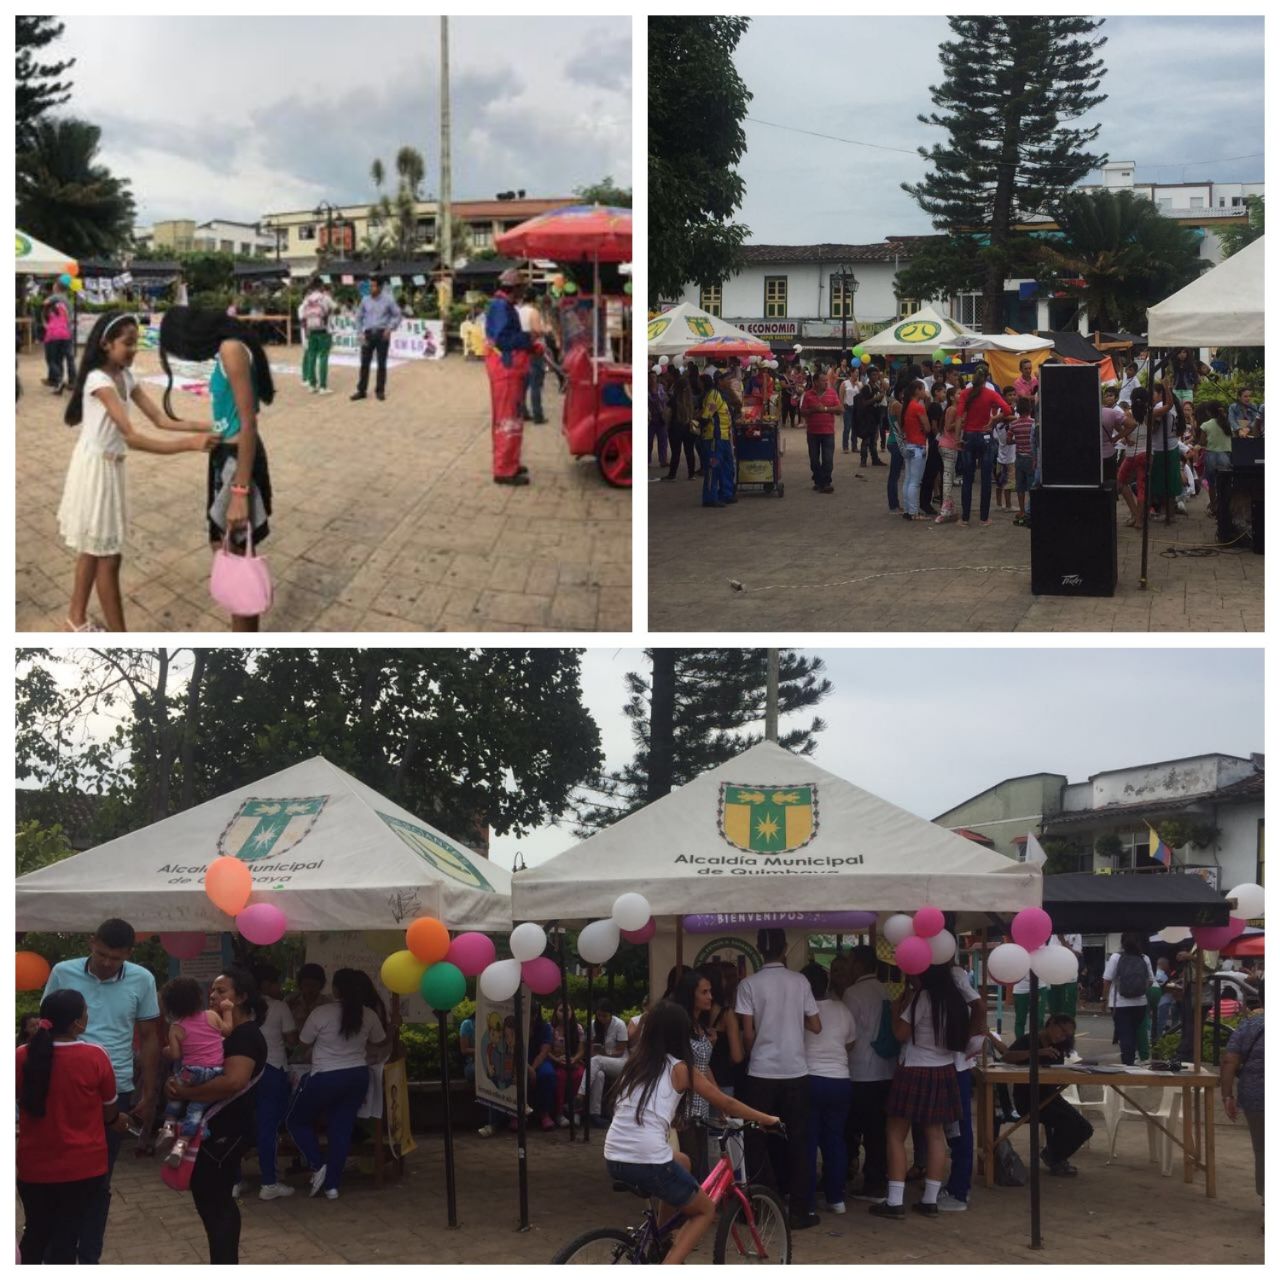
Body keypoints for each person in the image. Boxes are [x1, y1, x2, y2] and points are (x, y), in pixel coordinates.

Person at [58, 313, 212, 632]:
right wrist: (190, 444)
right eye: (127, 344)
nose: (133, 351)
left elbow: (159, 419)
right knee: (108, 557)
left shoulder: (125, 377)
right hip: (95, 470)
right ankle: (120, 640)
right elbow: (130, 436)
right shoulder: (98, 381)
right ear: (106, 344)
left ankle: (76, 618)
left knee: (93, 547)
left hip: (110, 469)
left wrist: (208, 424)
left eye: (136, 344)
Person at [603, 1000, 780, 1267]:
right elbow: (726, 1103)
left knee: (683, 1161)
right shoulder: (680, 1069)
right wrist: (768, 1119)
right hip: (647, 1159)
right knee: (705, 1210)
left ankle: (659, 1242)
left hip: (614, 1156)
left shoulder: (635, 1065)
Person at [41, 918, 161, 1263]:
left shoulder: (142, 979)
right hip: (63, 1091)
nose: (108, 963)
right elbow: (47, 1026)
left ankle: (89, 1257)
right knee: (58, 1176)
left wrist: (149, 1092)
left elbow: (151, 1037)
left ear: (129, 954)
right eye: (102, 954)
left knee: (98, 1181)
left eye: (116, 958)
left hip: (116, 1090)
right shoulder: (64, 972)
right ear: (91, 943)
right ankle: (54, 1257)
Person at [158, 307, 276, 633]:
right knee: (224, 547)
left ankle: (244, 643)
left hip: (238, 461)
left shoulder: (231, 349)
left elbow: (249, 421)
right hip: (224, 454)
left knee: (237, 559)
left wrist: (240, 491)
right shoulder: (228, 348)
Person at [166, 969, 268, 1264]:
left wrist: (184, 1095)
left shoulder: (245, 1036)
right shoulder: (223, 1032)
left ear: (243, 997)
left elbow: (233, 1082)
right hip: (214, 1130)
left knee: (217, 1202)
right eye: (212, 990)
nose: (213, 996)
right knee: (209, 1201)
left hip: (226, 1131)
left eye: (222, 991)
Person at [17, 989, 122, 1264]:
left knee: (36, 1233)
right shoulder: (95, 1056)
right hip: (84, 1167)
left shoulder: (20, 1056)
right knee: (67, 1236)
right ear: (78, 1022)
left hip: (34, 1167)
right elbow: (110, 1110)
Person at [735, 929, 822, 1229]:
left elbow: (748, 1033)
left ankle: (761, 1205)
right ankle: (799, 1210)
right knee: (799, 1141)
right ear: (785, 948)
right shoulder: (800, 982)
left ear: (758, 949)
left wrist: (756, 1048)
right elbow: (816, 1024)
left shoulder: (748, 984)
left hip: (761, 1072)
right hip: (796, 1071)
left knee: (756, 1141)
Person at [869, 963, 969, 1219]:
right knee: (935, 1134)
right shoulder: (955, 999)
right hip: (944, 1069)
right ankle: (930, 1200)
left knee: (895, 1133)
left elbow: (901, 1033)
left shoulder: (924, 997)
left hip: (915, 1069)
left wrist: (895, 1012)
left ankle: (894, 1201)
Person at [287, 968, 389, 1199]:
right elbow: (381, 1042)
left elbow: (302, 1044)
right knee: (340, 1130)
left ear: (335, 988)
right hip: (357, 1076)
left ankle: (317, 1163)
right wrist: (394, 1029)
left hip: (325, 1076)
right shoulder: (368, 1014)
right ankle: (332, 1186)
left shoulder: (321, 1013)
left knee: (296, 1121)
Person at [1001, 1014, 1092, 1177]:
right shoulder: (1029, 1040)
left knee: (1084, 1128)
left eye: (1067, 1035)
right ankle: (1055, 1159)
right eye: (1061, 1031)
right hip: (1028, 1099)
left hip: (1050, 1097)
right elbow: (1007, 1057)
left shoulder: (1060, 1047)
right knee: (1067, 1123)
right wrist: (1037, 1052)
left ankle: (1053, 1154)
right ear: (1051, 1024)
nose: (1062, 1037)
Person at [157, 976, 234, 1166]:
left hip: (190, 1072)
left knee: (175, 1090)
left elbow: (175, 1055)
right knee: (195, 1109)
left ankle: (167, 1126)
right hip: (214, 1072)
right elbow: (228, 1030)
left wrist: (166, 1050)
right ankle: (181, 1145)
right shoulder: (211, 1016)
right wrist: (227, 1011)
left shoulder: (176, 1028)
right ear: (198, 998)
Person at [842, 946, 895, 1202]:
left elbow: (846, 1030)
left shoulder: (853, 993)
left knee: (856, 1128)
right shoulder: (884, 990)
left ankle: (866, 1179)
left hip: (861, 1069)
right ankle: (876, 1177)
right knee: (878, 1130)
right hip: (885, 1068)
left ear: (860, 965)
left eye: (851, 962)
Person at [802, 963, 855, 1217]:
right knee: (835, 1139)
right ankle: (837, 1199)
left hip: (809, 1078)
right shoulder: (843, 1009)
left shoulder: (801, 1012)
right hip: (840, 1080)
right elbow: (851, 1043)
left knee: (808, 1141)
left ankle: (808, 1202)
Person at [251, 964, 298, 1200]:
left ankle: (235, 1181)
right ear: (267, 985)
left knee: (241, 1124)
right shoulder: (279, 1006)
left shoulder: (241, 1006)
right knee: (269, 1127)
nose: (280, 988)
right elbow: (291, 1040)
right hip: (273, 1069)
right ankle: (269, 1182)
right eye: (277, 983)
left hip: (244, 1071)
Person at [671, 969, 719, 1178]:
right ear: (691, 994)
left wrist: (719, 1100)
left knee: (700, 1167)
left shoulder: (700, 1026)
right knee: (691, 1168)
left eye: (710, 991)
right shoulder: (679, 1026)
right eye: (704, 992)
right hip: (684, 1109)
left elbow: (704, 1066)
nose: (710, 996)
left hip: (701, 1108)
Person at [955, 366, 1011, 526]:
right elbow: (1007, 409)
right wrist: (993, 420)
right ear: (987, 378)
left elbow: (959, 417)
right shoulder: (990, 393)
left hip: (969, 437)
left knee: (967, 478)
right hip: (985, 437)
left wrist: (958, 438)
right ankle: (984, 518)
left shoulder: (965, 394)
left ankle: (965, 518)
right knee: (986, 479)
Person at [1221, 1013, 1263, 1208]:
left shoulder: (1250, 1024)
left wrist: (1227, 1095)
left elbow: (1230, 1060)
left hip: (1257, 1096)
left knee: (1264, 1151)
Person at [1102, 933, 1155, 1065]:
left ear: (1122, 942)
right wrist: (1138, 989)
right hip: (1140, 1003)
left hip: (1120, 1004)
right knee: (1135, 1032)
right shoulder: (1144, 958)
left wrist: (1104, 999)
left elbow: (1107, 981)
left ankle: (1128, 1064)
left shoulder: (1116, 957)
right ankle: (1135, 1060)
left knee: (1125, 1034)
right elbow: (1150, 981)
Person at [350, 276, 401, 402]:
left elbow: (397, 314)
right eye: (370, 286)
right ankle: (361, 390)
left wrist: (390, 328)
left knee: (381, 364)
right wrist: (359, 332)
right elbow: (358, 317)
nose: (370, 288)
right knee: (364, 363)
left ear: (380, 287)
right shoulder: (365, 299)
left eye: (373, 286)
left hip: (382, 334)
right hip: (367, 334)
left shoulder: (388, 300)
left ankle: (380, 390)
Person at [580, 1000, 630, 1125]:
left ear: (611, 1015)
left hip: (620, 1062)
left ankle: (580, 1095)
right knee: (598, 1075)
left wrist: (605, 1053)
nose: (601, 1018)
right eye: (599, 1015)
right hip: (601, 1062)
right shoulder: (593, 1025)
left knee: (596, 1061)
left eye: (604, 1016)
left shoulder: (619, 1025)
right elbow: (590, 1049)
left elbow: (620, 1050)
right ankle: (594, 1114)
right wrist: (595, 1052)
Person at [799, 366, 839, 493]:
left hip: (828, 432)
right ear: (815, 382)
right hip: (813, 432)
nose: (825, 383)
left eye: (826, 381)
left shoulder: (832, 393)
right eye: (822, 381)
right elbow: (803, 412)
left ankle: (826, 482)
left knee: (828, 459)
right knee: (814, 460)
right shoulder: (808, 395)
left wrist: (826, 409)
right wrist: (813, 410)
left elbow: (840, 409)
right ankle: (818, 480)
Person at [697, 374, 735, 509]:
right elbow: (707, 415)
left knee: (727, 467)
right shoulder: (714, 395)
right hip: (714, 437)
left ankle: (726, 494)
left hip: (724, 437)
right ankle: (709, 498)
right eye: (727, 379)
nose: (730, 381)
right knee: (713, 468)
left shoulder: (722, 394)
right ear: (720, 381)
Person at [298, 277, 336, 395]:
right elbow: (336, 308)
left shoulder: (307, 299)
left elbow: (302, 316)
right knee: (323, 357)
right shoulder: (325, 298)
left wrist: (307, 331)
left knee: (311, 357)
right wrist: (329, 312)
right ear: (321, 286)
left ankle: (312, 385)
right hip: (324, 331)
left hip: (311, 331)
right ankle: (323, 387)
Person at [549, 1002, 584, 1128]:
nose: (564, 1014)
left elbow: (581, 1050)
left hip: (573, 1062)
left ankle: (576, 1112)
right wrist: (557, 1060)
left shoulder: (578, 1028)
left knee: (579, 1075)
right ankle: (558, 1113)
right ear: (555, 1012)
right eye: (561, 1010)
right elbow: (546, 1051)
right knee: (560, 1077)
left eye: (567, 1010)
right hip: (557, 1063)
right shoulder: (551, 1028)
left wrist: (574, 1059)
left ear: (572, 1012)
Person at [900, 381, 930, 520]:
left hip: (909, 444)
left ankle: (908, 509)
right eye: (923, 389)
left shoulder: (906, 407)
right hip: (918, 445)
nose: (925, 392)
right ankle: (914, 512)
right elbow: (927, 427)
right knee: (915, 481)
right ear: (917, 390)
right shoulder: (918, 407)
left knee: (908, 479)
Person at [663, 364, 698, 481]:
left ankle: (672, 475)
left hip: (675, 427)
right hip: (689, 427)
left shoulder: (673, 400)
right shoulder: (692, 400)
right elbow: (697, 412)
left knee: (675, 452)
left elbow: (667, 414)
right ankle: (691, 474)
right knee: (689, 452)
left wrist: (667, 425)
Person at [518, 290, 548, 423]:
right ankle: (538, 415)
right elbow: (536, 330)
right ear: (534, 299)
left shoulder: (517, 311)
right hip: (534, 349)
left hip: (521, 350)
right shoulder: (533, 312)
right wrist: (546, 329)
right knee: (535, 383)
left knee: (523, 384)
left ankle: (522, 411)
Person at [43, 282, 76, 393]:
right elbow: (69, 319)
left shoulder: (56, 298)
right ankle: (72, 381)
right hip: (67, 333)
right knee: (68, 358)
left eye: (54, 286)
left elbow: (45, 303)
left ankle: (58, 380)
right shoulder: (68, 302)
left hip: (53, 334)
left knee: (53, 359)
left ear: (56, 287)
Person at [1009, 396, 1036, 526]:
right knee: (1032, 486)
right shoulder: (1033, 423)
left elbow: (1008, 440)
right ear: (1030, 409)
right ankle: (1032, 510)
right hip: (1031, 458)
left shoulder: (1013, 424)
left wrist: (1017, 441)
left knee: (1020, 487)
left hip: (1019, 457)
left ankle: (1021, 510)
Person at [286, 964, 331, 1035]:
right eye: (306, 985)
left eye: (314, 985)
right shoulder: (291, 1000)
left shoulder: (327, 1004)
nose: (310, 990)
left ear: (321, 985)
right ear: (300, 984)